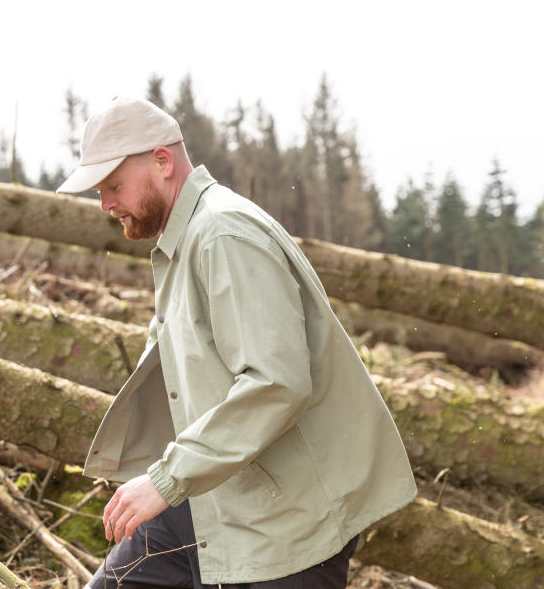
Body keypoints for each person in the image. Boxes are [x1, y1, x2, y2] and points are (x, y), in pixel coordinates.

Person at [56, 97, 416, 588]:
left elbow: (276, 383)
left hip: (285, 523)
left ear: (162, 162)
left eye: (114, 185)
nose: (105, 204)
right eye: (100, 190)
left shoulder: (222, 234)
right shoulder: (181, 241)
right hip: (206, 500)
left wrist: (166, 480)